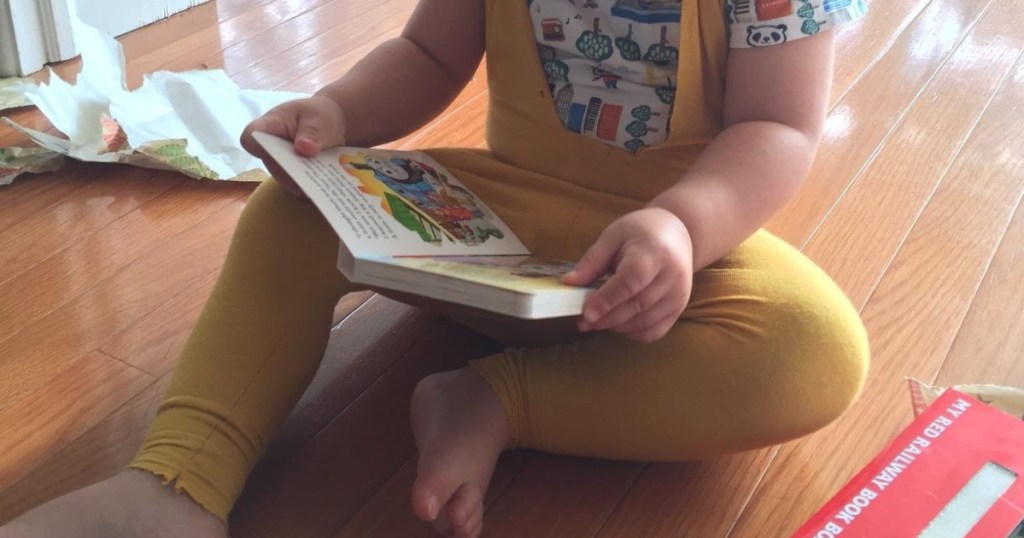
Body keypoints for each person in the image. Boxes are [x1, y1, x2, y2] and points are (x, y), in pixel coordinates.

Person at [2, 0, 870, 537]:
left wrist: (682, 226)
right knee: (290, 209)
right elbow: (427, 55)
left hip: (650, 268)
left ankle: (493, 398)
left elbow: (780, 128)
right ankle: (179, 478)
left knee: (816, 349)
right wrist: (333, 115)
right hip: (493, 226)